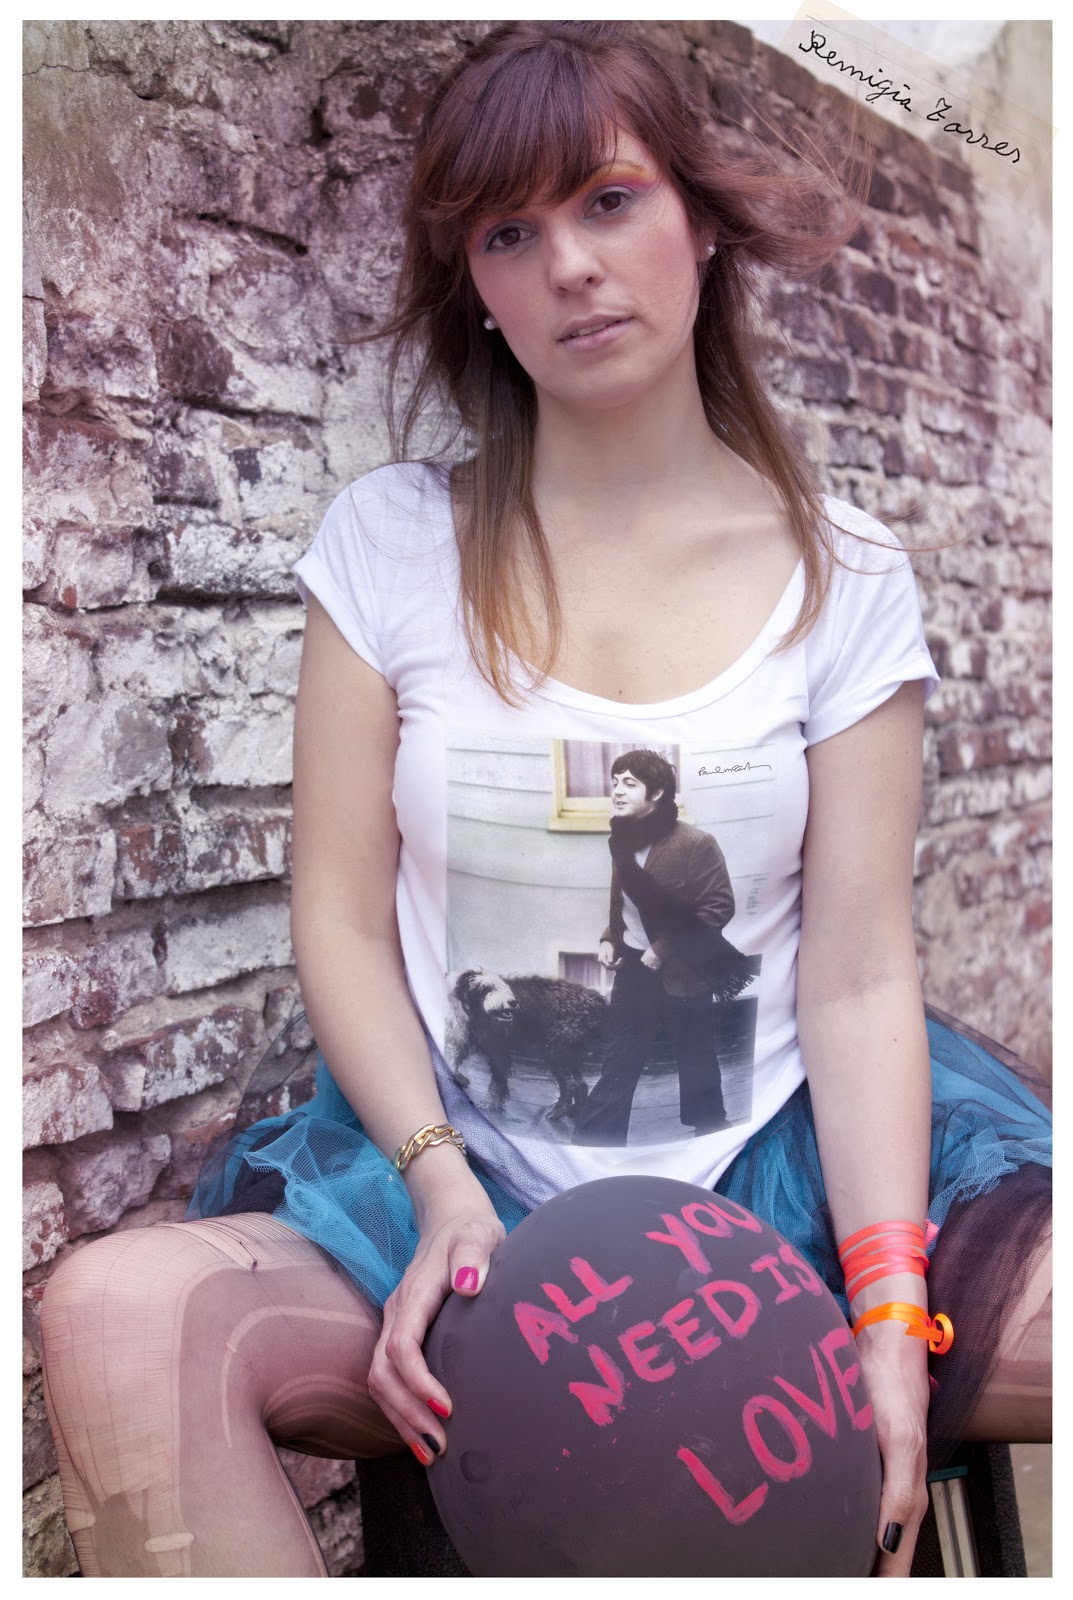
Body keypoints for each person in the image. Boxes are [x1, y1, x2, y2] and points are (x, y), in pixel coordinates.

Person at [40, 21, 1051, 1579]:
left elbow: (856, 974)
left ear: (698, 225)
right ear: (477, 288)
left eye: (608, 201)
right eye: (507, 234)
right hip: (462, 1193)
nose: (568, 264)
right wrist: (440, 1187)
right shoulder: (389, 548)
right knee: (115, 1319)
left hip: (779, 1177)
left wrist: (886, 1317)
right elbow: (339, 918)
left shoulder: (845, 578)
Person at [574, 748, 743, 1143]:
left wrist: (663, 949)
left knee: (696, 1058)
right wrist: (610, 938)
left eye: (629, 783)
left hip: (685, 970)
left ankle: (711, 1135)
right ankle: (596, 1143)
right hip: (633, 968)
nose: (617, 791)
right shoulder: (622, 839)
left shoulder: (695, 843)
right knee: (619, 1058)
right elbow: (626, 904)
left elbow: (719, 906)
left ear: (657, 793)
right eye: (615, 782)